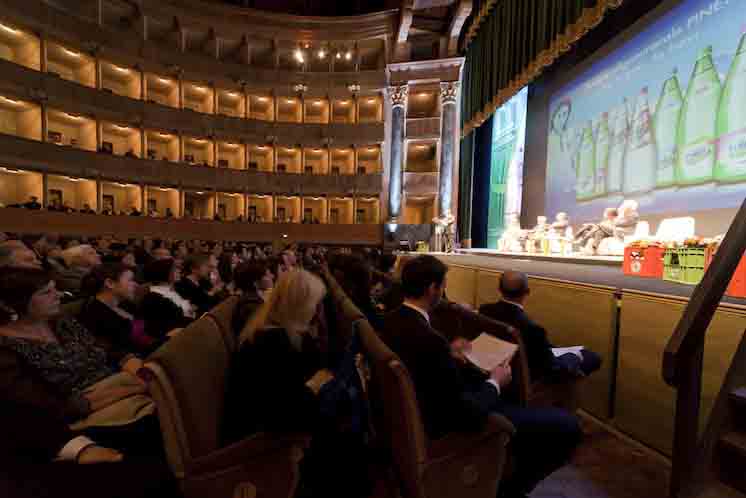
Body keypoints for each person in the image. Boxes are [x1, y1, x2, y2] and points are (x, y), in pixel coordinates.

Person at [381, 256, 582, 498]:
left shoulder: (389, 321)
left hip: (419, 413)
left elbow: (422, 360)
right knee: (569, 426)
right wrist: (496, 382)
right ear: (433, 289)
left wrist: (449, 352)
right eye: (443, 285)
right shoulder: (429, 340)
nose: (443, 291)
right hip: (448, 423)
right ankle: (508, 490)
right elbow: (466, 414)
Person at [0, 269, 163, 460]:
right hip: (83, 416)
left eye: (55, 289)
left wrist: (132, 364)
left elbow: (103, 348)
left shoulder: (61, 320)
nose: (58, 295)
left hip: (120, 387)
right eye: (46, 292)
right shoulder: (6, 348)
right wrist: (123, 389)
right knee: (162, 421)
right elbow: (43, 406)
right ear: (13, 304)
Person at [479, 271, 602, 382]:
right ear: (527, 291)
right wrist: (575, 357)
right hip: (526, 378)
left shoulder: (484, 310)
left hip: (499, 367)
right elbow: (551, 367)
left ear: (499, 289)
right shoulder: (532, 329)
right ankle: (567, 397)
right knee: (592, 357)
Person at [79, 264, 145, 371]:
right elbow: (112, 353)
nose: (136, 284)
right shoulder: (94, 313)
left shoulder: (125, 304)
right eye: (130, 280)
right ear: (110, 283)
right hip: (130, 366)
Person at [140, 258, 194, 346]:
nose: (179, 271)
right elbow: (166, 328)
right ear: (163, 273)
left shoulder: (174, 290)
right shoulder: (153, 299)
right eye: (175, 269)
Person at [231, 261, 274, 336]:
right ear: (256, 283)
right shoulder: (251, 305)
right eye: (267, 275)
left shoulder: (251, 298)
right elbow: (263, 333)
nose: (272, 276)